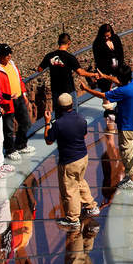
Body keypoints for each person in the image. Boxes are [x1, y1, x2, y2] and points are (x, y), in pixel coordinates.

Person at [81, 63, 133, 189]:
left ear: (120, 79)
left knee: (127, 151)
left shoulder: (122, 91)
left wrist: (86, 90)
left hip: (126, 126)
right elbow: (120, 81)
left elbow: (103, 96)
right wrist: (105, 76)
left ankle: (132, 179)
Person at [44, 92, 99, 229]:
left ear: (59, 107)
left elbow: (49, 141)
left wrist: (46, 123)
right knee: (79, 181)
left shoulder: (58, 124)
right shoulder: (81, 118)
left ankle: (73, 218)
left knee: (70, 190)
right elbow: (84, 134)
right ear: (71, 104)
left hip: (69, 160)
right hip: (83, 157)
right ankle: (91, 206)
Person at [38, 33, 99, 117]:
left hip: (56, 90)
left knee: (59, 114)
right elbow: (80, 72)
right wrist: (93, 74)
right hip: (68, 89)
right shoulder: (70, 57)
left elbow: (39, 69)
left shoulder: (49, 56)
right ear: (69, 43)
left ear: (58, 42)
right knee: (72, 113)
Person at [0, 44, 33, 161]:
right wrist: (2, 101)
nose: (9, 56)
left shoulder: (12, 65)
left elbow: (19, 79)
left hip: (19, 98)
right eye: (6, 54)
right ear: (0, 56)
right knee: (8, 128)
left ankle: (20, 145)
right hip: (6, 102)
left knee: (26, 122)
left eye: (10, 53)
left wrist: (24, 93)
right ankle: (10, 149)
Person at [91, 23, 124, 92]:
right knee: (106, 90)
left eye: (108, 36)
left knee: (122, 85)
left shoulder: (115, 38)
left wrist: (119, 65)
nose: (106, 38)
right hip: (105, 69)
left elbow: (120, 52)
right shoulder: (97, 43)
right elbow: (98, 59)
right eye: (104, 36)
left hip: (118, 66)